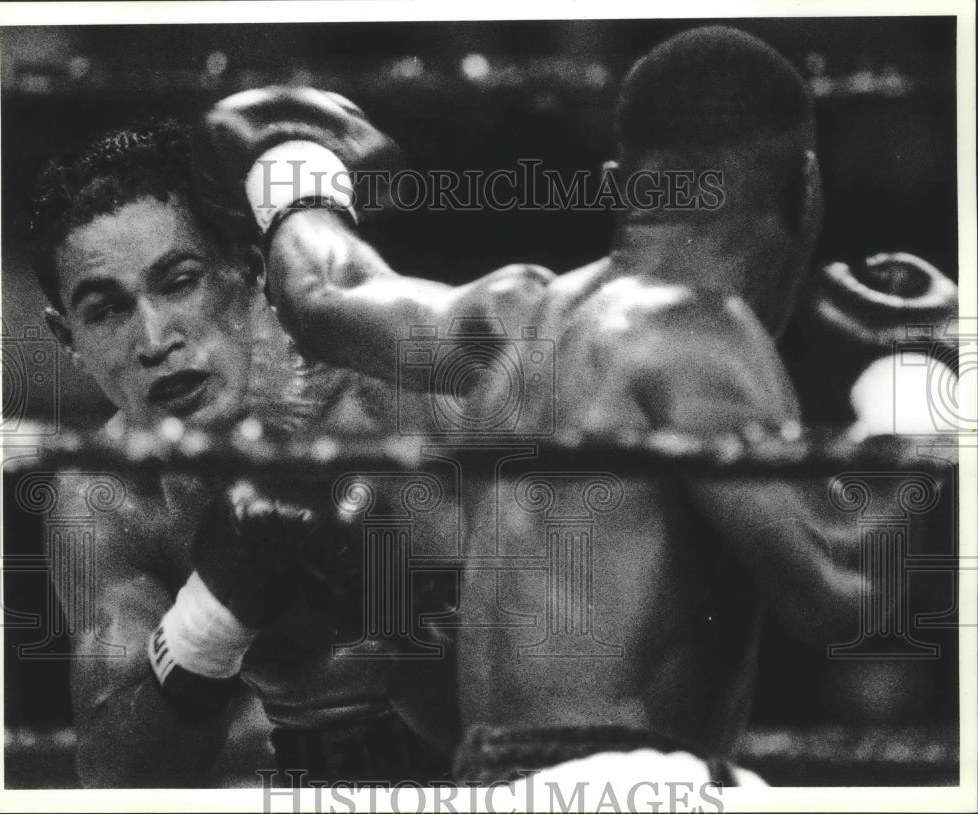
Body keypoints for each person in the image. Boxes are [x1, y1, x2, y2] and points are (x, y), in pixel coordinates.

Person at [193, 26, 893, 789]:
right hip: (632, 788)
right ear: (806, 187)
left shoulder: (514, 318)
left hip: (492, 780)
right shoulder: (702, 329)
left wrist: (292, 171)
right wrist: (922, 375)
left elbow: (326, 299)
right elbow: (845, 590)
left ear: (619, 183)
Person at [30, 108, 452, 787]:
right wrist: (221, 598)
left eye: (178, 281)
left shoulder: (386, 406)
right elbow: (117, 781)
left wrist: (387, 602)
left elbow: (520, 715)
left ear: (250, 271)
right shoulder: (107, 493)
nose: (154, 338)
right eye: (106, 308)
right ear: (65, 338)